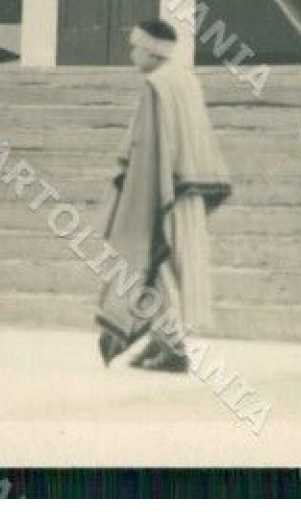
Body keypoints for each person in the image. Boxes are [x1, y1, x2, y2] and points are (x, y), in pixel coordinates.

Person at [96, 20, 232, 373]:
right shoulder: (185, 78)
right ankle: (160, 340)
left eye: (135, 47)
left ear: (152, 50)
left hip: (164, 188)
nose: (131, 54)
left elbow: (148, 146)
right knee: (169, 266)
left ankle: (172, 348)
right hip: (188, 187)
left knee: (158, 263)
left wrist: (134, 189)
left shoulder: (157, 85)